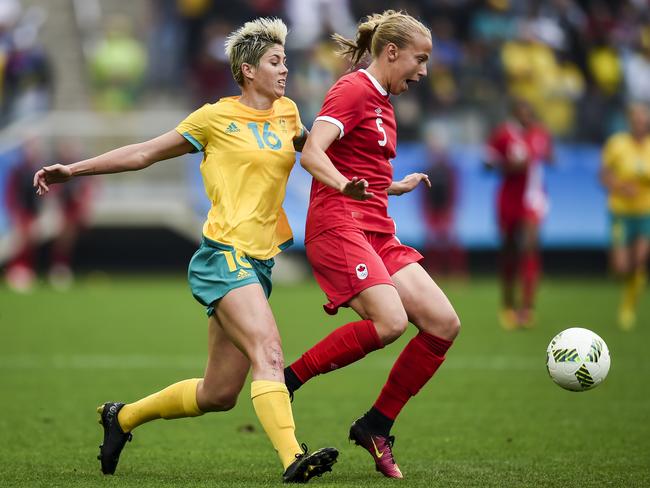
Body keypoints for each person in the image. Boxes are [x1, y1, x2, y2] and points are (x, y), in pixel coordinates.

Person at [33, 17, 338, 483]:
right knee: (270, 353)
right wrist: (72, 170)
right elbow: (144, 153)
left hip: (259, 262)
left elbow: (316, 152)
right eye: (275, 61)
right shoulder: (214, 117)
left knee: (218, 393)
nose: (284, 70)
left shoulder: (289, 112)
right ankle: (294, 457)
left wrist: (379, 180)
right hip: (223, 256)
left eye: (285, 61)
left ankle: (122, 417)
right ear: (248, 70)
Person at [282, 11, 461, 479]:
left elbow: (361, 163)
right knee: (390, 321)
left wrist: (392, 186)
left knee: (443, 324)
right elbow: (312, 152)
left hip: (375, 227)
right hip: (339, 223)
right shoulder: (354, 89)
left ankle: (375, 425)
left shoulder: (383, 100)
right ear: (392, 52)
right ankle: (287, 381)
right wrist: (344, 187)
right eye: (419, 60)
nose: (423, 71)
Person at [485, 99, 553, 329]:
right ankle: (507, 304)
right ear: (514, 114)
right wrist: (507, 164)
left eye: (529, 112)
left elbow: (550, 157)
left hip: (533, 198)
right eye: (522, 112)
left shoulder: (540, 134)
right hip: (508, 199)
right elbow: (487, 164)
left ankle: (527, 308)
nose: (526, 116)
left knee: (529, 247)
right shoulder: (503, 135)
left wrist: (545, 157)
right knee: (509, 251)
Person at [600, 103, 650, 330]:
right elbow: (603, 175)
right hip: (620, 212)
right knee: (621, 267)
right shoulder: (617, 144)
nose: (640, 123)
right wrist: (620, 187)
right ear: (630, 121)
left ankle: (628, 308)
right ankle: (623, 283)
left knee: (639, 260)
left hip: (645, 212)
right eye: (636, 119)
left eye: (643, 119)